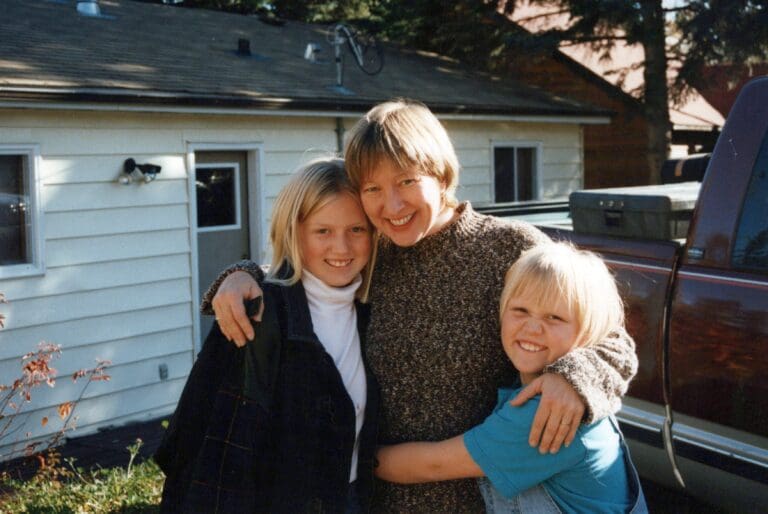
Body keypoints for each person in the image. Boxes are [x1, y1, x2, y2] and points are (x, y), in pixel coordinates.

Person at [203, 99, 638, 512]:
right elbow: (304, 269)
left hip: (486, 501)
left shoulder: (511, 247)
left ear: (442, 174)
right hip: (377, 500)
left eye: (407, 182)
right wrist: (242, 274)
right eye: (372, 188)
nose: (391, 206)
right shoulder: (371, 252)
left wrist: (575, 377)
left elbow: (612, 338)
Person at [156, 157, 378, 513]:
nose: (342, 248)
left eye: (357, 229)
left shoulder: (375, 311)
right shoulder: (257, 313)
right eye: (323, 231)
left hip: (352, 499)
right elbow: (202, 443)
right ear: (294, 231)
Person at [374, 243, 648, 513]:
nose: (532, 327)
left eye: (554, 317)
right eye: (520, 310)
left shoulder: (546, 415)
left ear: (590, 332)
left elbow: (434, 465)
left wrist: (351, 456)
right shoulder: (540, 386)